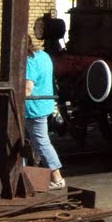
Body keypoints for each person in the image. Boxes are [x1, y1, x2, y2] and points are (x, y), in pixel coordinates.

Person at [25, 34, 65, 189]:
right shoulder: (43, 55)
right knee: (29, 142)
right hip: (45, 105)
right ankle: (25, 173)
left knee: (41, 143)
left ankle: (57, 178)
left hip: (33, 109)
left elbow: (28, 88)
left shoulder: (29, 61)